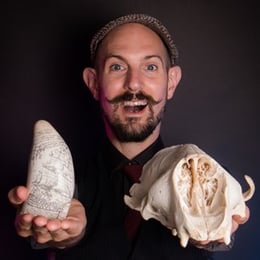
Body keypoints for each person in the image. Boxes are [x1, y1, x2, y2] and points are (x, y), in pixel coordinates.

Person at [8, 14, 250, 259]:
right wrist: (64, 238)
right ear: (93, 82)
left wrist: (211, 231)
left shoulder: (210, 179)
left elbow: (220, 237)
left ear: (171, 82)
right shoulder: (63, 184)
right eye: (117, 67)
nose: (134, 84)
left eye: (151, 67)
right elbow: (47, 233)